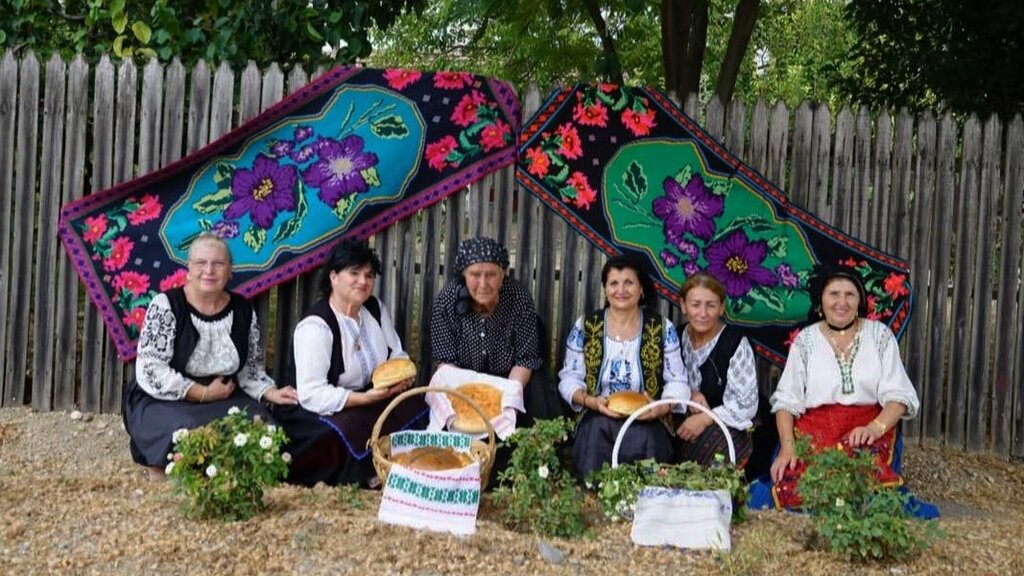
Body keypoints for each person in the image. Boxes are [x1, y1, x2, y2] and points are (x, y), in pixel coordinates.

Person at [123, 233, 299, 481]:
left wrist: (271, 392)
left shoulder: (242, 309)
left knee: (263, 425)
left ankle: (229, 478)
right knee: (186, 429)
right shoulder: (166, 305)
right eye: (201, 263)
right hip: (166, 397)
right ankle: (170, 472)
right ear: (189, 269)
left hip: (223, 395)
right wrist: (203, 393)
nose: (209, 270)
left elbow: (250, 369)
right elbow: (151, 369)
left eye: (218, 263)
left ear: (230, 270)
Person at [767, 264, 920, 509]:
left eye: (850, 294)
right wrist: (787, 447)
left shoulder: (879, 335)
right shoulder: (806, 340)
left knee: (865, 495)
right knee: (794, 489)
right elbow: (786, 401)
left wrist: (874, 429)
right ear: (821, 300)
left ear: (860, 300)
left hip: (866, 431)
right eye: (834, 294)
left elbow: (899, 396)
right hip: (816, 431)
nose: (842, 302)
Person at [275, 239, 425, 487]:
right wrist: (363, 399)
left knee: (414, 405)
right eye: (354, 273)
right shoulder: (316, 326)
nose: (363, 281)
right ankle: (367, 477)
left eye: (369, 275)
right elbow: (312, 393)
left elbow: (396, 354)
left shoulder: (375, 309)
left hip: (371, 394)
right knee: (339, 434)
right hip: (320, 406)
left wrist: (398, 380)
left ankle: (406, 465)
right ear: (334, 277)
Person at [557, 254, 690, 479]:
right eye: (614, 283)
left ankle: (646, 493)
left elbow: (677, 380)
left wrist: (659, 408)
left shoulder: (661, 328)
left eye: (629, 283)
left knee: (646, 437)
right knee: (597, 433)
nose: (621, 290)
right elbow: (570, 377)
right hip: (598, 414)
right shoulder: (587, 326)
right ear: (605, 288)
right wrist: (590, 401)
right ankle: (595, 493)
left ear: (641, 289)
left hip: (647, 417)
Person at [428, 236, 549, 481]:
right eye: (475, 274)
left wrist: (506, 398)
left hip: (510, 380)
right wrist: (469, 404)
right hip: (461, 384)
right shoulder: (447, 300)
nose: (483, 283)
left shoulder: (518, 298)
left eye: (491, 274)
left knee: (530, 405)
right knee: (451, 422)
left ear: (503, 274)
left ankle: (522, 471)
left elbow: (526, 359)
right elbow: (446, 365)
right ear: (464, 274)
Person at [675, 272, 759, 469]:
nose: (702, 313)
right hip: (683, 418)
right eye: (695, 304)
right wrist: (690, 393)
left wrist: (705, 418)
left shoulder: (735, 342)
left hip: (728, 423)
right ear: (683, 305)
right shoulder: (675, 337)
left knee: (714, 451)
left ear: (721, 308)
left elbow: (744, 405)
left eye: (711, 305)